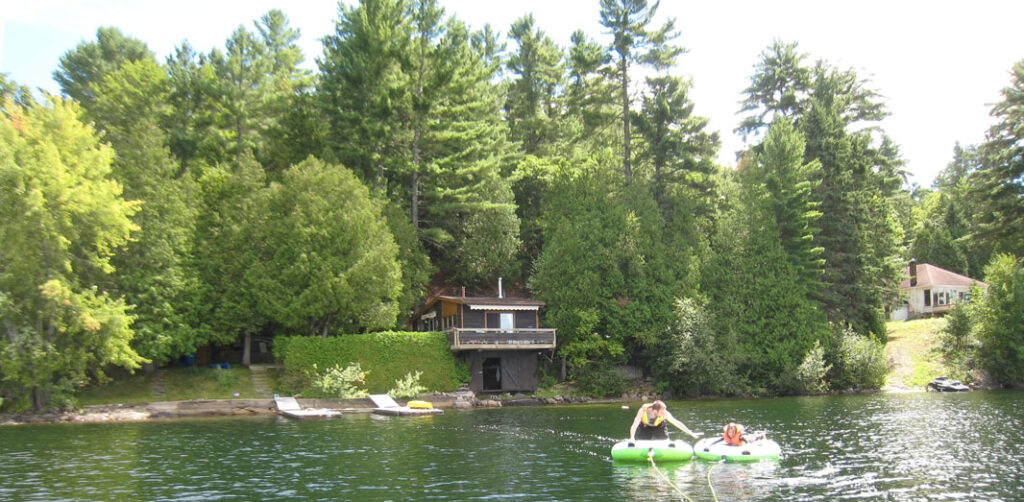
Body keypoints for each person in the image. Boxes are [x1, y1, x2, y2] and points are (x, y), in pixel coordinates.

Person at [629, 400, 701, 441]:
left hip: (659, 427)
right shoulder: (642, 411)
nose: (664, 413)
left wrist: (691, 433)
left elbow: (677, 423)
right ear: (655, 411)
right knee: (641, 443)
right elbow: (634, 425)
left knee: (665, 442)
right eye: (662, 412)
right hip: (646, 427)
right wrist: (632, 437)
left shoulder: (665, 414)